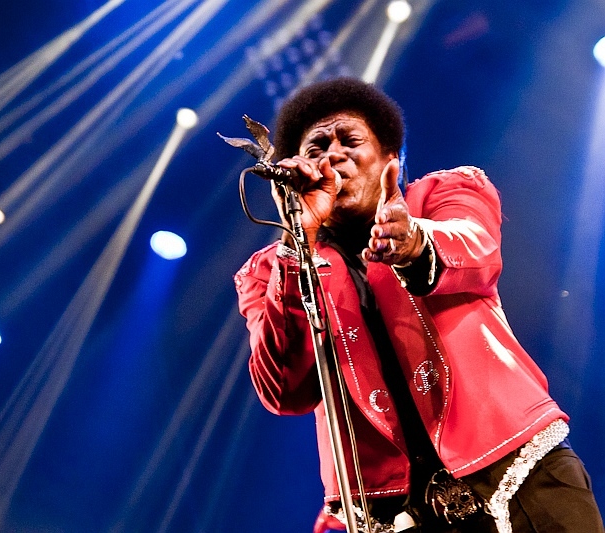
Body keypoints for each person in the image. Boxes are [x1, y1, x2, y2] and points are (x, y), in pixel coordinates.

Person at [233, 77, 604, 532]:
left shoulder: (445, 194)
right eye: (315, 149)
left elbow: (477, 247)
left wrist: (413, 244)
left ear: (393, 160)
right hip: (392, 514)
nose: (332, 156)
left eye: (350, 140)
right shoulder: (271, 270)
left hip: (519, 470)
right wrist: (299, 243)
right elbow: (283, 390)